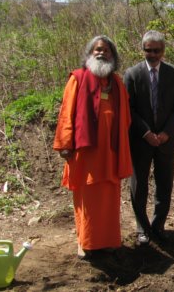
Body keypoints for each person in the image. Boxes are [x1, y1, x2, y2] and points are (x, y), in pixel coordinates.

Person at [53, 35, 133, 259]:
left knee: (109, 197)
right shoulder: (77, 79)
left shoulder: (117, 83)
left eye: (106, 51)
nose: (101, 53)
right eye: (97, 50)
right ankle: (85, 242)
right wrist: (65, 144)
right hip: (86, 153)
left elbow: (126, 117)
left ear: (113, 56)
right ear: (89, 54)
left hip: (111, 152)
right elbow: (66, 113)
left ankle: (107, 241)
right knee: (87, 198)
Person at [124, 30, 174, 245]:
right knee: (139, 185)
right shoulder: (132, 74)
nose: (152, 54)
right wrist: (146, 133)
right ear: (143, 50)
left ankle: (158, 226)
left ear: (163, 51)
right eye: (148, 50)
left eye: (156, 50)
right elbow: (128, 108)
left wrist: (166, 133)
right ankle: (142, 228)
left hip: (166, 141)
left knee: (164, 185)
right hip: (141, 141)